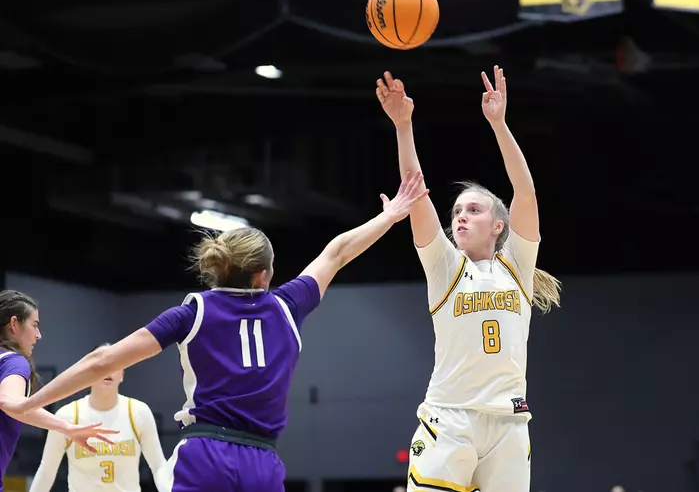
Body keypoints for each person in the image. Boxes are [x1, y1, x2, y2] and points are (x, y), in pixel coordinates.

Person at [3, 171, 429, 492]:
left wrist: (32, 403)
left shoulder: (193, 311)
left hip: (206, 453)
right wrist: (389, 215)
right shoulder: (287, 305)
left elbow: (102, 361)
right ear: (264, 275)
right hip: (263, 461)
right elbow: (336, 252)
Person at [376, 66, 561, 492]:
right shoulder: (444, 266)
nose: (460, 216)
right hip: (450, 419)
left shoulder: (517, 264)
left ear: (500, 225)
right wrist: (403, 125)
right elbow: (414, 191)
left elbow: (526, 191)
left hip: (509, 423)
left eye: (473, 210)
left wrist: (499, 124)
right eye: (457, 211)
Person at [0, 291, 119, 488]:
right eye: (35, 325)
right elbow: (11, 403)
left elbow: (15, 406)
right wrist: (67, 427)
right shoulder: (14, 362)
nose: (39, 335)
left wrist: (66, 428)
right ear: (14, 324)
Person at [29, 343, 168, 492]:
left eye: (115, 363)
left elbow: (158, 465)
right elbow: (47, 471)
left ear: (122, 374)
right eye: (102, 363)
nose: (108, 369)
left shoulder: (138, 412)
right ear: (89, 372)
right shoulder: (68, 415)